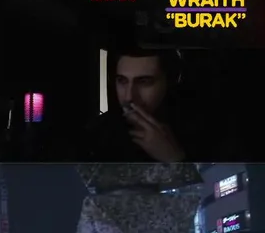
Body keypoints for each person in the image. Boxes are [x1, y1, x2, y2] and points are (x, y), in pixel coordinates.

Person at [80, 47, 209, 164]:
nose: (129, 96)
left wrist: (174, 159)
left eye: (144, 82)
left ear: (170, 81)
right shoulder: (95, 135)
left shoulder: (200, 132)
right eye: (122, 81)